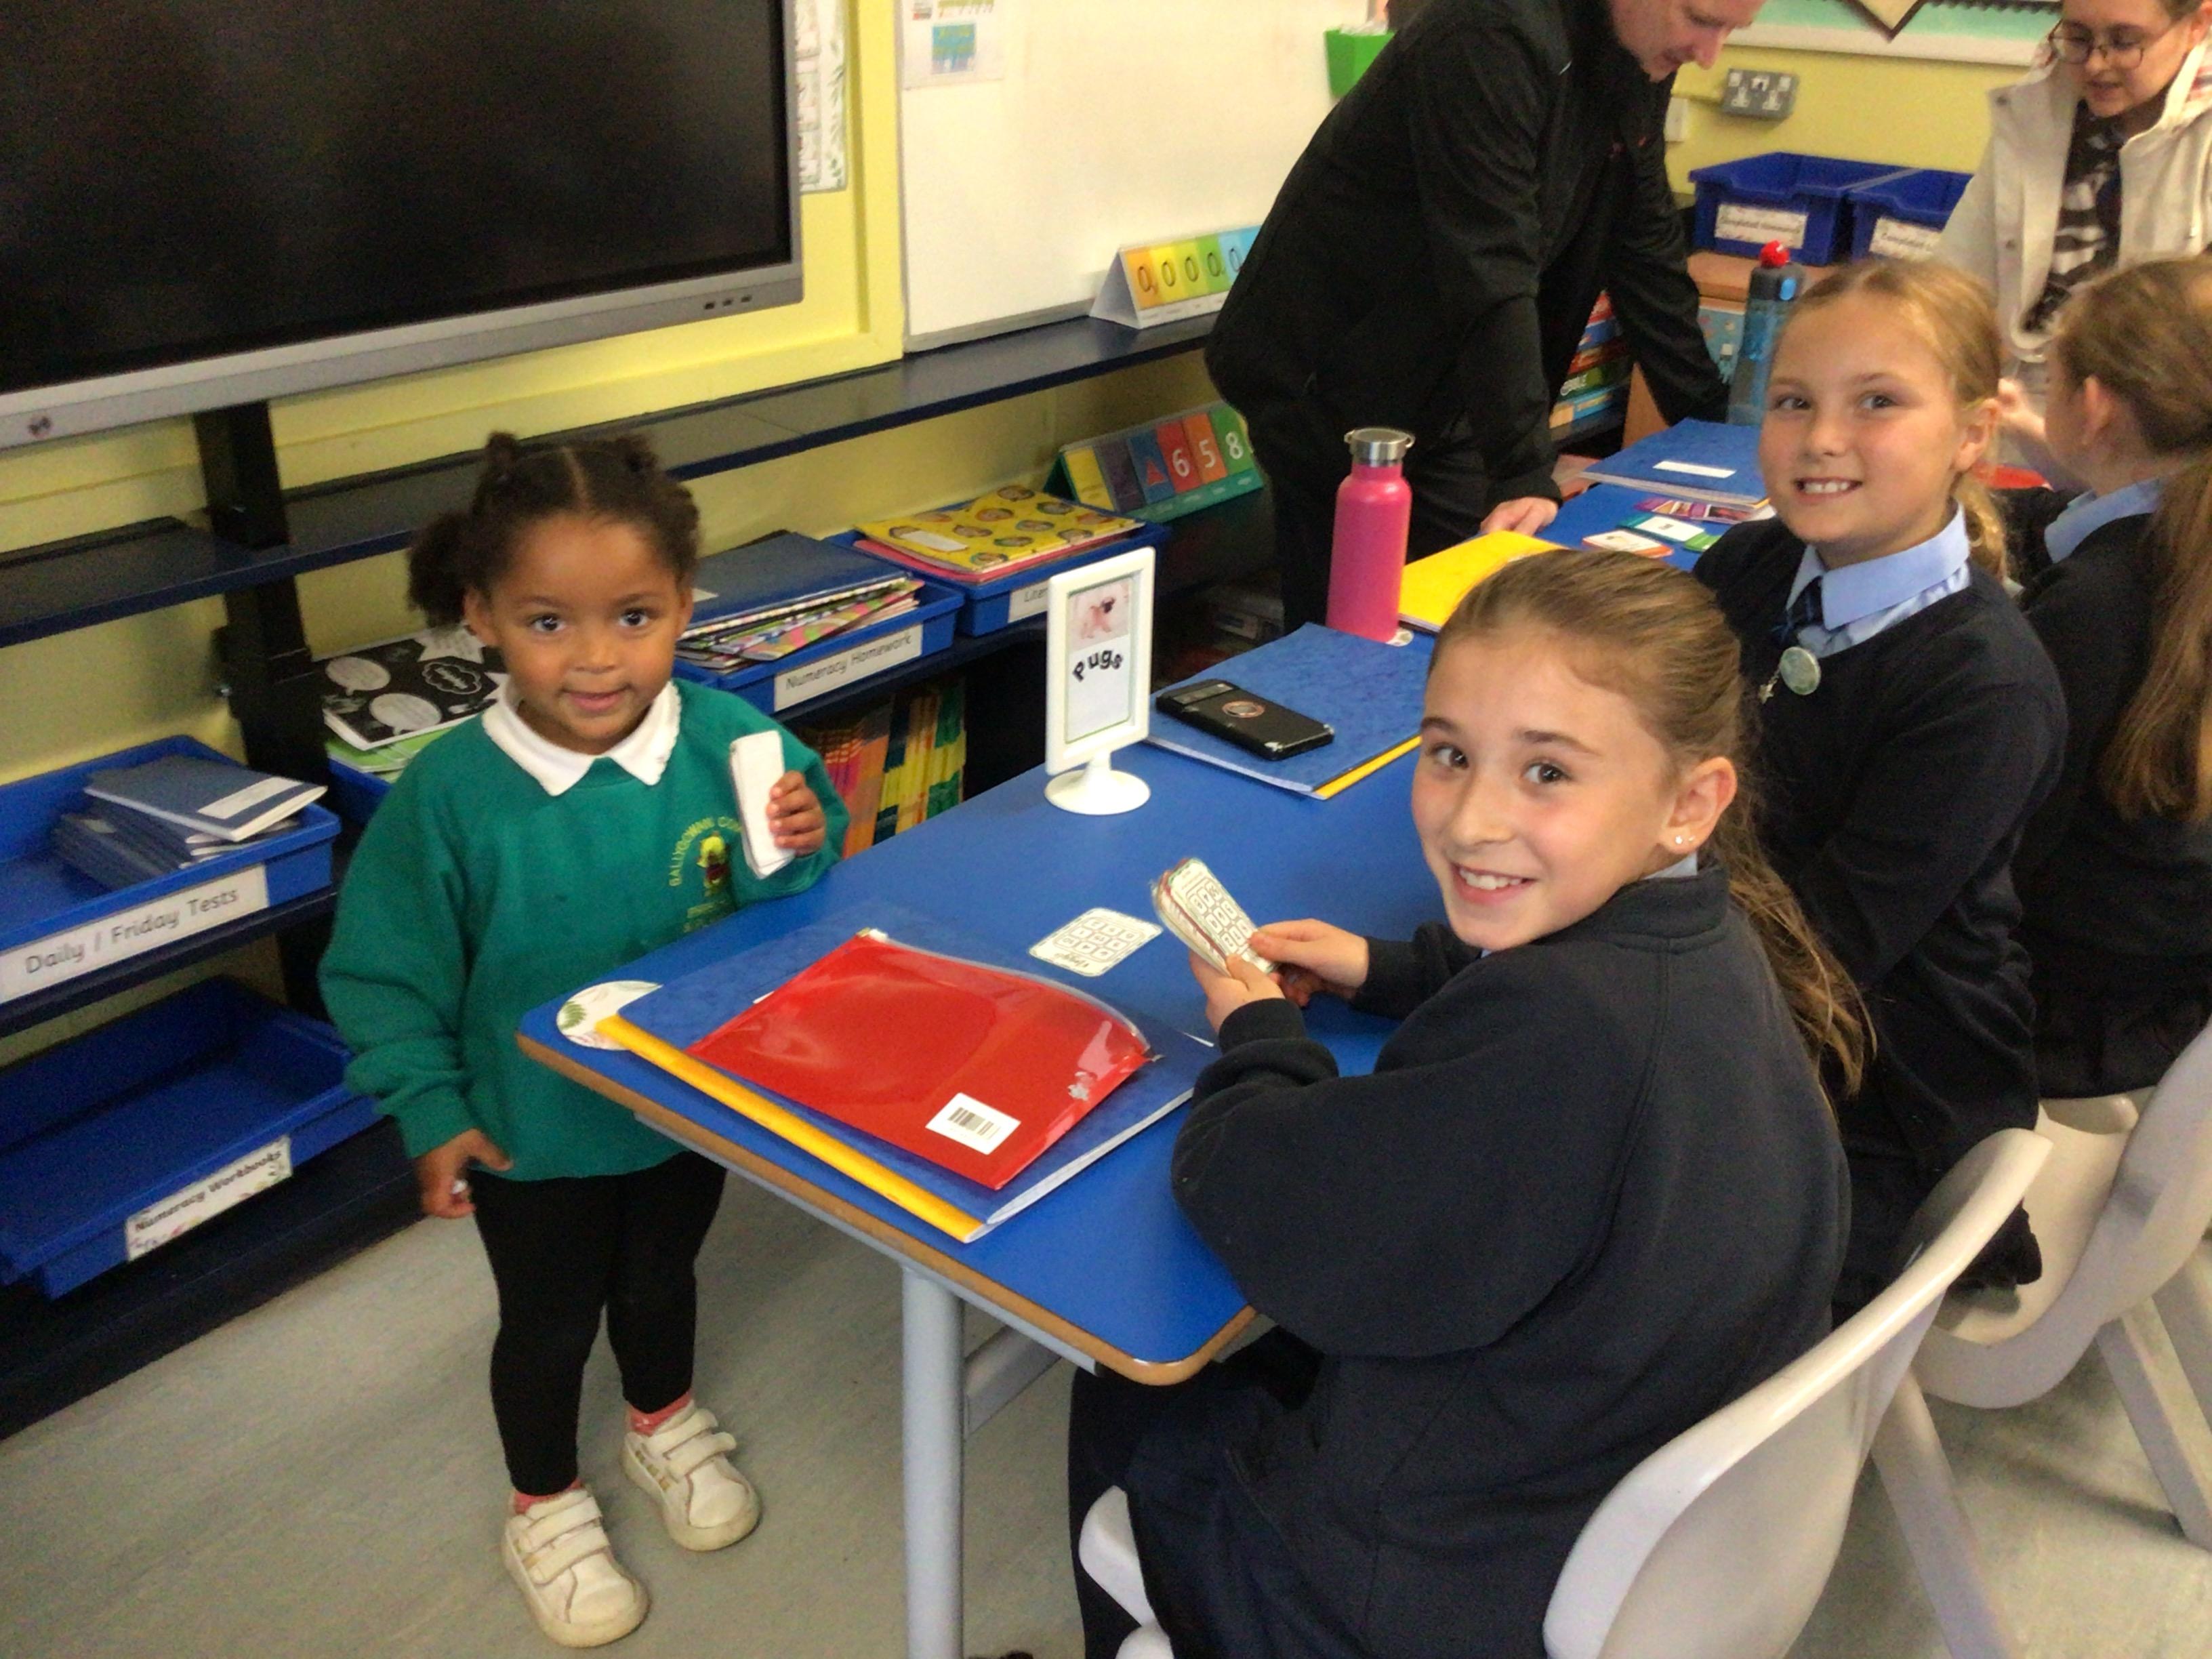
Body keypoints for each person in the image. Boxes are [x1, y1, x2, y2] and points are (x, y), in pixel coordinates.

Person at [1067, 548, 1855, 1659]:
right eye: (1448, 754)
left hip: (1415, 1591)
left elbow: (1275, 1202)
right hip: (1597, 1499)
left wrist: (1256, 1031)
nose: (1473, 818)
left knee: (1126, 1384)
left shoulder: (1553, 1042)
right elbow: (1565, 981)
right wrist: (1389, 968)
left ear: (1690, 802)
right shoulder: (1713, 937)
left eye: (1547, 771)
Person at [321, 433, 846, 1649]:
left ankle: (660, 1417)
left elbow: (791, 895)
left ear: (684, 605)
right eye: (549, 622)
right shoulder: (448, 797)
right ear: (482, 616)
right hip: (532, 1132)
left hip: (686, 1105)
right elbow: (380, 972)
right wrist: (430, 1107)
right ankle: (544, 1500)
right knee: (549, 1321)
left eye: (634, 616)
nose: (598, 658)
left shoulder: (729, 738)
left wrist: (802, 834)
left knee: (663, 1279)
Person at [1695, 260, 2067, 1312]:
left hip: (1882, 1086)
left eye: (1877, 403)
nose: (1821, 438)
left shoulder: (1981, 688)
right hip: (1731, 996)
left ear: (1973, 433)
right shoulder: (1749, 567)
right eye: (1793, 401)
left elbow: (1823, 950)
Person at [1204, 0, 1750, 631]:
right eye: (1701, 20)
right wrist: (1522, 467)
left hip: (1450, 377)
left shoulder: (1637, 49)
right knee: (1354, 627)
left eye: (1731, 30)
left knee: (1466, 616)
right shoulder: (1488, 34)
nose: (1709, 55)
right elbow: (1489, 260)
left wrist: (1712, 420)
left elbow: (1643, 237)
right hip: (1329, 375)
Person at [1992, 258, 2212, 1096]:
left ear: (2092, 408)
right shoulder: (2170, 554)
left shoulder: (2093, 607)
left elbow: (1998, 851)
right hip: (2171, 1002)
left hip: (2064, 1021)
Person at [1940, 0, 2212, 417]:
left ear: (2197, 25)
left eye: (2125, 42)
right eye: (2078, 37)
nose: (2095, 65)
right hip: (2027, 385)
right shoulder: (2040, 104)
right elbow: (1960, 270)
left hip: (2160, 406)